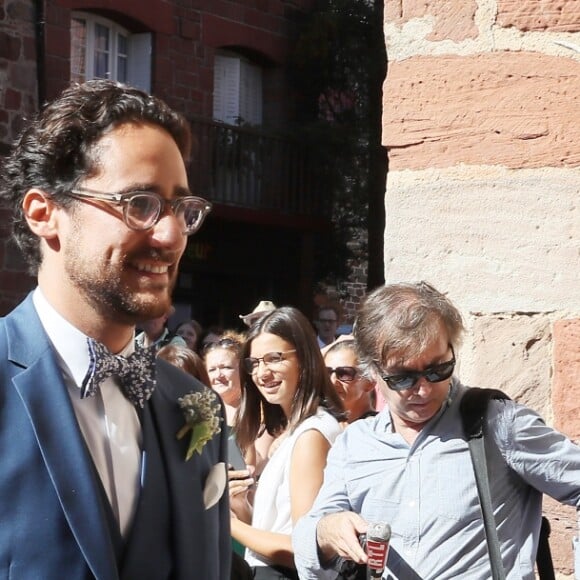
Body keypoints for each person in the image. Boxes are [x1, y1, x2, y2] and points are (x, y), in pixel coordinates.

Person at [0, 79, 231, 579]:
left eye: (181, 210)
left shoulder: (198, 406)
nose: (170, 236)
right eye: (139, 203)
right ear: (45, 214)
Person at [293, 281, 580, 580]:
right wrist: (326, 532)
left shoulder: (497, 423)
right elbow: (310, 535)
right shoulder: (355, 443)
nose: (424, 388)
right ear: (372, 371)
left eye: (437, 369)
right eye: (403, 377)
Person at [230, 306, 345, 579]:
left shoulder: (312, 435)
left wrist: (228, 525)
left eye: (274, 358)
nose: (262, 373)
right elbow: (276, 529)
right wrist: (240, 506)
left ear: (305, 360)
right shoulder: (292, 432)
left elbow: (301, 549)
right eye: (254, 363)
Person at [323, 339, 376, 423]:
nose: (333, 382)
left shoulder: (379, 431)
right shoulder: (320, 424)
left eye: (344, 373)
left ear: (370, 382)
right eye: (327, 373)